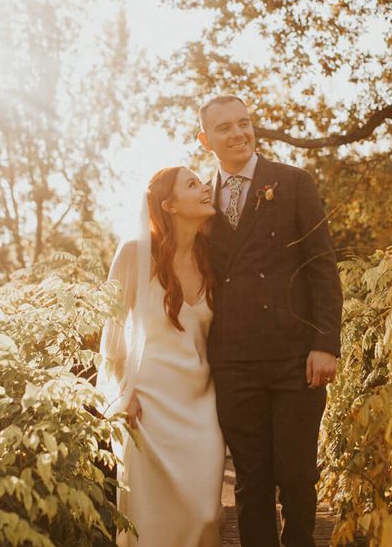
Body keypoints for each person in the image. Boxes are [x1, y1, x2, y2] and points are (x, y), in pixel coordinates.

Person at [197, 95, 343, 547]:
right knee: (251, 480)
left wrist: (326, 343)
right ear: (205, 140)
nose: (239, 133)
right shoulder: (199, 200)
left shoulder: (293, 182)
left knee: (297, 475)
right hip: (234, 361)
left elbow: (322, 266)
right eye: (225, 128)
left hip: (295, 356)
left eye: (244, 122)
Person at [96, 166, 226, 547]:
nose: (205, 188)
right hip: (147, 407)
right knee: (150, 523)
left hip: (202, 405)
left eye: (202, 182)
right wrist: (123, 393)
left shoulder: (212, 258)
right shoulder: (134, 252)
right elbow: (112, 332)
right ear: (169, 205)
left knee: (205, 515)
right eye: (192, 184)